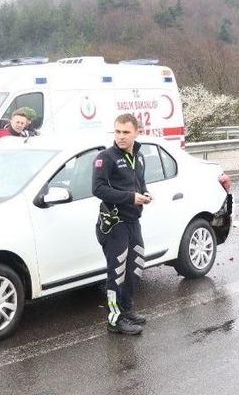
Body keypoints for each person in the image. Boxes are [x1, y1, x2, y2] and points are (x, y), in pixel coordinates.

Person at [92, 113, 151, 335]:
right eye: (117, 131)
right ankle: (114, 320)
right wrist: (130, 197)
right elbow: (98, 189)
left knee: (135, 268)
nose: (121, 136)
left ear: (137, 132)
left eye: (126, 132)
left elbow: (140, 183)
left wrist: (144, 193)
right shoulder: (105, 157)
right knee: (116, 272)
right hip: (114, 222)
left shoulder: (139, 156)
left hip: (133, 220)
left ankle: (126, 311)